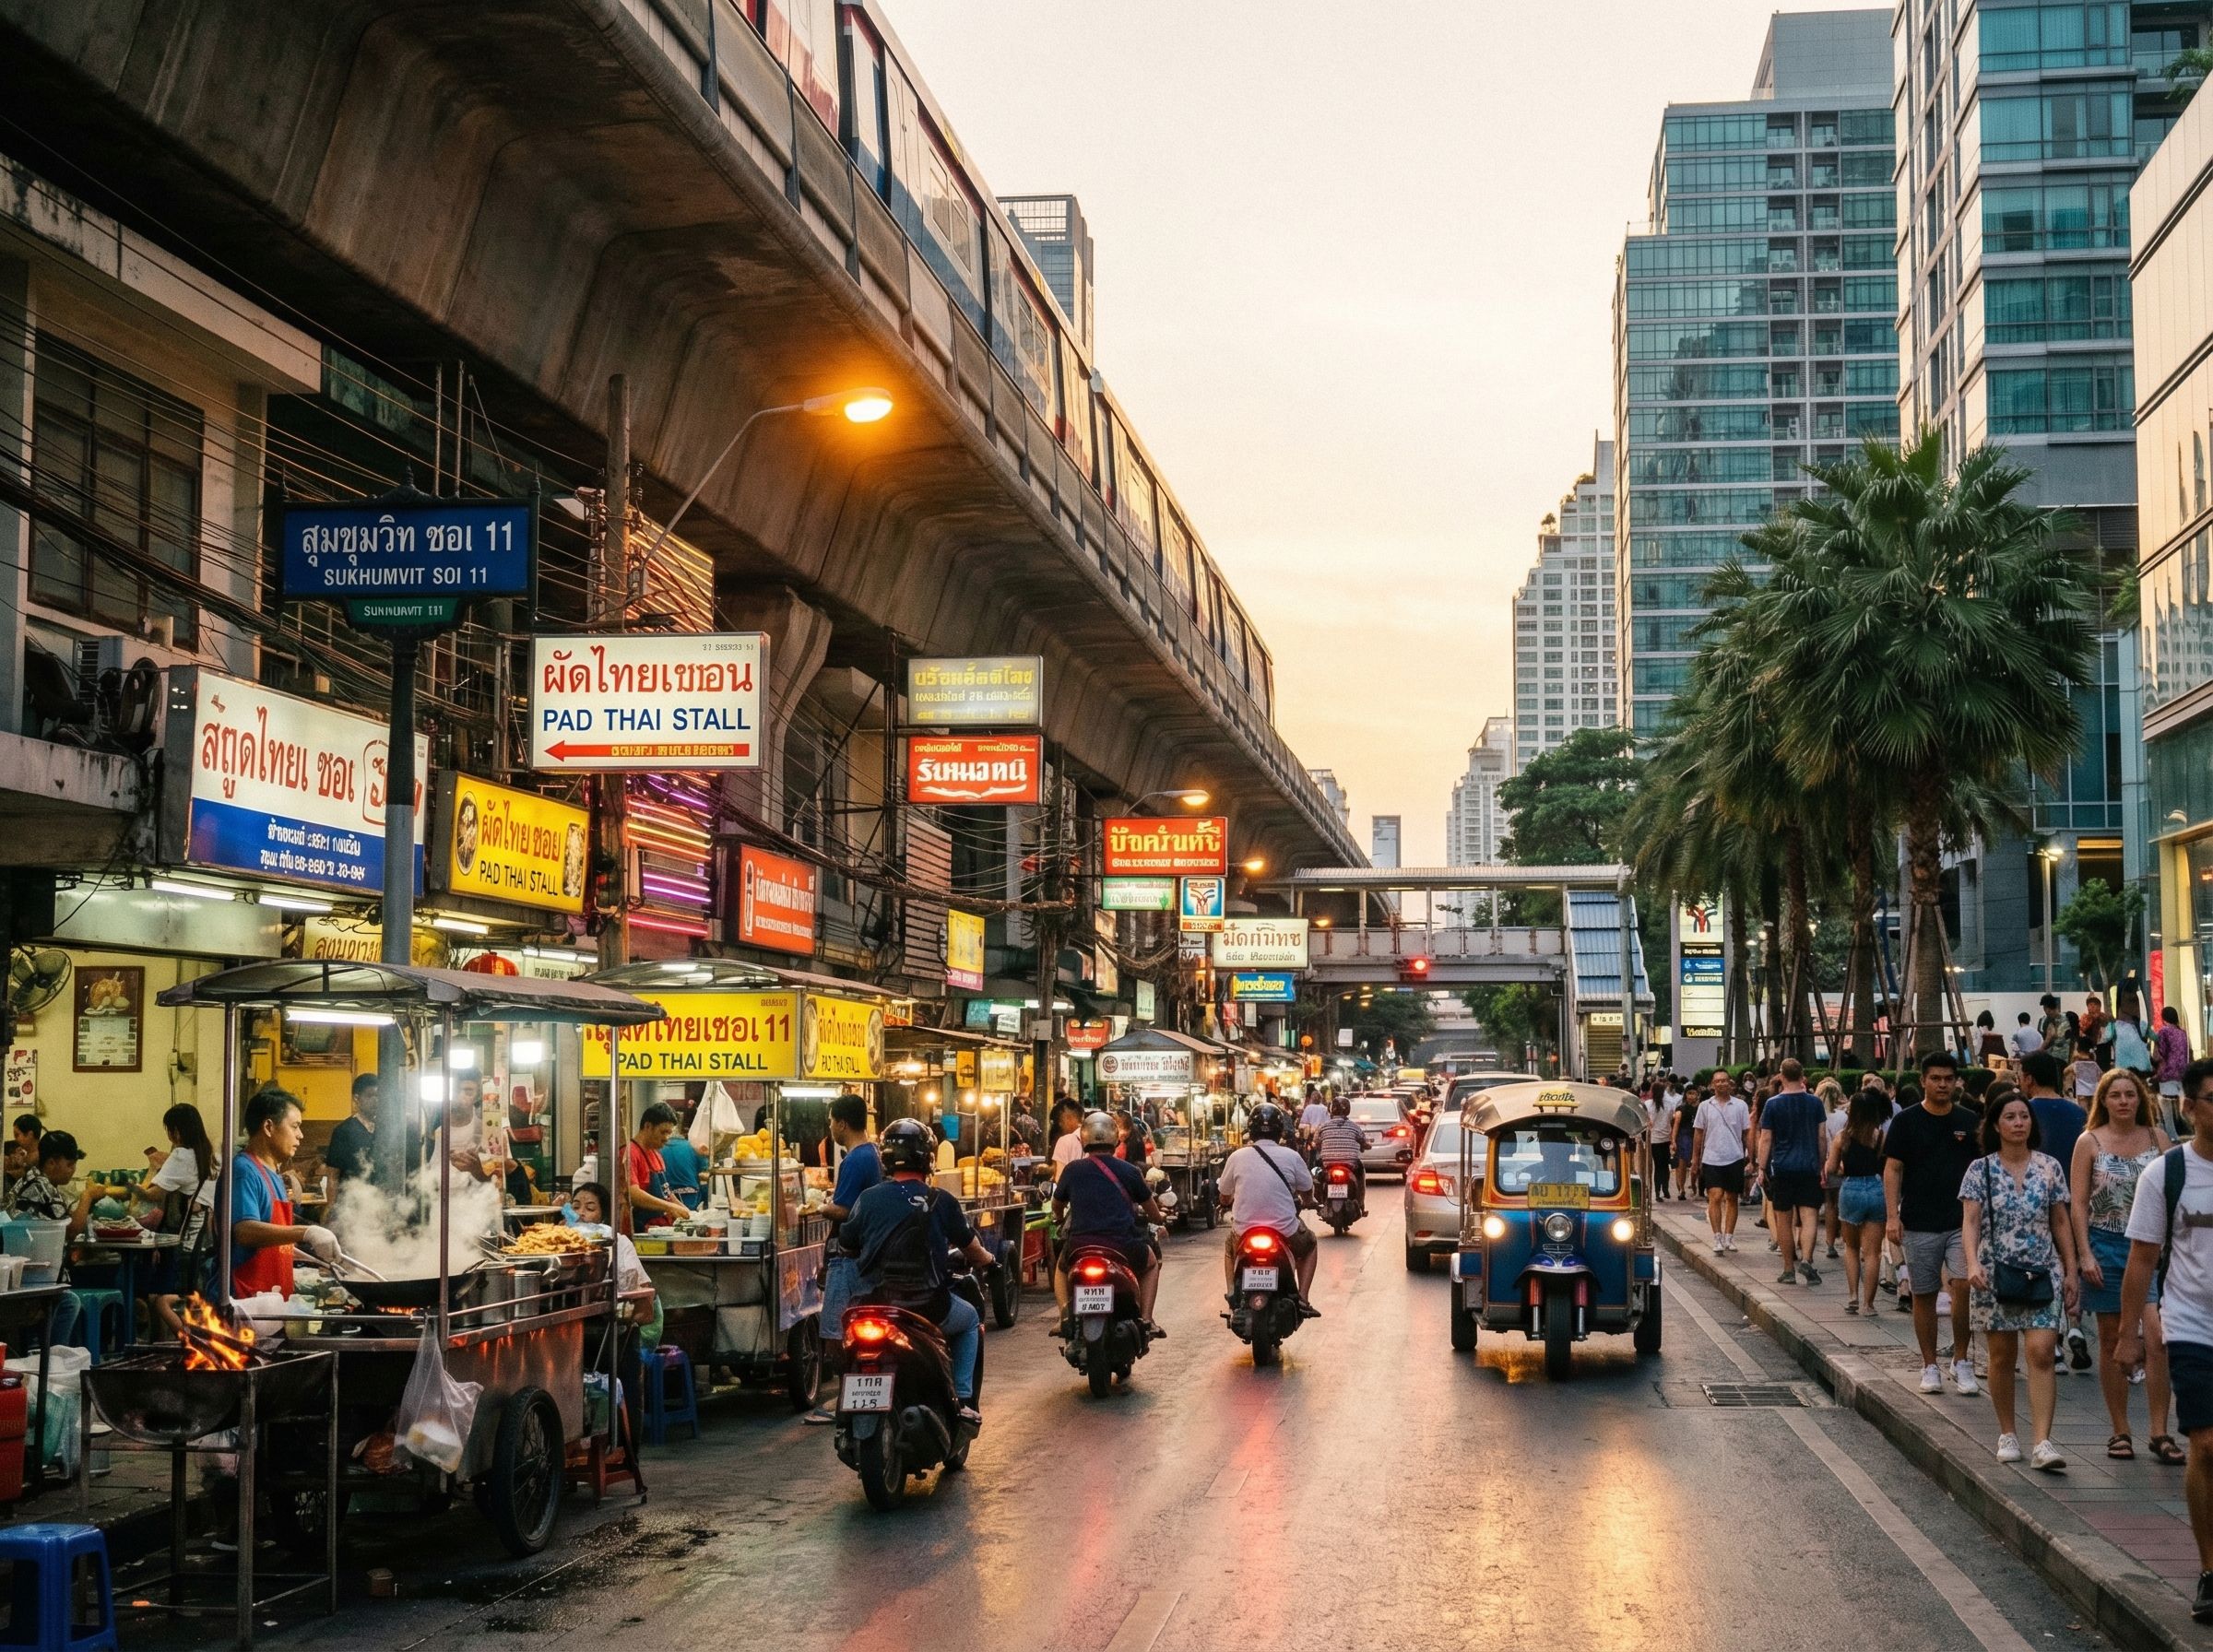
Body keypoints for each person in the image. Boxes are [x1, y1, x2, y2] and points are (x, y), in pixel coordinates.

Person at [2120, 1058, 2213, 1622]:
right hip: (2193, 1327)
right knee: (2205, 1445)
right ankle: (2210, 1569)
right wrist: (2129, 1334)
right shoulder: (2167, 1173)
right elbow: (2142, 1259)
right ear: (2191, 1106)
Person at [837, 1119, 995, 1425]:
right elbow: (972, 1249)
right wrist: (990, 1261)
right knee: (970, 1321)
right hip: (928, 1307)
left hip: (875, 1303)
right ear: (929, 1158)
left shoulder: (867, 1199)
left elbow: (847, 1244)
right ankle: (962, 1400)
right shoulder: (941, 1201)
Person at [1959, 1090, 2080, 1470]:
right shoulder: (1980, 1170)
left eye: (2023, 1117)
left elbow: (2061, 1220)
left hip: (2043, 1269)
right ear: (1996, 1125)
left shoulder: (2049, 1167)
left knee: (2042, 1352)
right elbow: (1971, 1221)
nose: (2017, 1123)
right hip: (1995, 1272)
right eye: (2009, 1117)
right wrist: (1972, 1264)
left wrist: (2071, 1267)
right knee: (2002, 1355)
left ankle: (2043, 1441)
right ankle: (2007, 1431)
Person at [2072, 1068, 2180, 1466]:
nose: (2123, 1101)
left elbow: (2177, 1195)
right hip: (2105, 1245)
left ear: (2141, 1099)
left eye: (2130, 1095)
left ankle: (2160, 1430)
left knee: (2156, 1338)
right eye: (2115, 1095)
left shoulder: (2159, 1139)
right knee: (2114, 1337)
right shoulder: (2089, 1142)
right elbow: (2079, 1203)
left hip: (2148, 1247)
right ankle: (2120, 1430)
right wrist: (2084, 1253)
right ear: (2104, 1100)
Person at [1885, 1051, 1984, 1398]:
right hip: (1918, 1222)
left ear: (1956, 1081)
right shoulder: (1906, 1121)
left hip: (1962, 1223)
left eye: (1948, 1079)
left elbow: (1983, 1169)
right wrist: (1892, 1216)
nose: (1942, 1085)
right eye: (1936, 1078)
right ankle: (1930, 1365)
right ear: (1923, 1080)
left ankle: (1961, 1360)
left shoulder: (1970, 1120)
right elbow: (1893, 1168)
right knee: (1924, 1295)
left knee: (1963, 1288)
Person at [1052, 1111, 1166, 1335]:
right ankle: (1146, 1319)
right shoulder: (1130, 1171)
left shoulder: (1072, 1170)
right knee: (1152, 1263)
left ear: (1084, 1139)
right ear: (1115, 1139)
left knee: (1061, 1268)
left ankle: (1064, 1315)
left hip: (1080, 1246)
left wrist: (1058, 1218)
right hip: (1122, 1245)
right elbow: (1152, 1212)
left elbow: (1057, 1204)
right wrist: (1160, 1219)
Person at [2020, 1049, 2092, 1373]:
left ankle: (2056, 1343)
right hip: (2077, 1200)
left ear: (2030, 1079)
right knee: (2071, 1264)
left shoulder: (2022, 1113)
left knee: (2047, 1268)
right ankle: (2075, 1324)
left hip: (2037, 1202)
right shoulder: (2078, 1113)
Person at [231, 1087, 338, 1298]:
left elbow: (272, 1235)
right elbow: (244, 1231)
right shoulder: (244, 1170)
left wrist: (310, 1256)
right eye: (295, 1126)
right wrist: (305, 1233)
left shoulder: (272, 1172)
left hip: (271, 1296)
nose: (300, 1135)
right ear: (269, 1127)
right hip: (247, 1299)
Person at [1216, 1103, 1319, 1310]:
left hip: (1244, 1231)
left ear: (1250, 1131)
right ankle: (1303, 1298)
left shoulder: (1236, 1156)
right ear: (1280, 1131)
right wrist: (1309, 1202)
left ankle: (1232, 1294)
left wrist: (1226, 1202)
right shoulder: (1292, 1156)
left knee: (1229, 1249)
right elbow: (1307, 1191)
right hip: (1285, 1230)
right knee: (1310, 1245)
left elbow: (1224, 1196)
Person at [1757, 1059, 1828, 1286]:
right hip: (1808, 1166)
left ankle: (1788, 1269)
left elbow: (1766, 1138)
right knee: (1809, 1217)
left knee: (1784, 1220)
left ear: (1781, 1076)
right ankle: (1807, 1259)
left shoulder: (1772, 1104)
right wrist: (1821, 1163)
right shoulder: (1815, 1103)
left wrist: (1761, 1167)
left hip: (1783, 1167)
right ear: (1802, 1075)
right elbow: (1822, 1137)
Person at [1828, 1086, 1892, 1316]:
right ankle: (1869, 1304)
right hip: (1876, 1189)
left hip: (1851, 1189)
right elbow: (1887, 1168)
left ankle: (1853, 1296)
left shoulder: (1842, 1138)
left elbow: (1831, 1169)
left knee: (1852, 1248)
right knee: (1872, 1253)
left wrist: (1844, 1167)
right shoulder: (1881, 1137)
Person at [6, 1131, 116, 1240]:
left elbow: (64, 1218)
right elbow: (70, 1232)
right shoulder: (40, 1186)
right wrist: (87, 1196)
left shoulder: (36, 1178)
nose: (73, 1170)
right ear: (51, 1163)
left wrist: (91, 1203)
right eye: (69, 1165)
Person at [1692, 1069, 1752, 1255]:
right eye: (1717, 1081)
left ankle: (1729, 1236)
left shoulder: (1740, 1105)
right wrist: (1695, 1158)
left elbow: (1746, 1132)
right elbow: (1699, 1132)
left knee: (1732, 1198)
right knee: (1715, 1196)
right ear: (1712, 1084)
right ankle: (1717, 1236)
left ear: (1730, 1083)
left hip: (1734, 1157)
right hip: (1712, 1157)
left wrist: (1751, 1156)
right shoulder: (1705, 1106)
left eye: (1724, 1081)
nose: (1721, 1084)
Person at [622, 1102, 689, 1233]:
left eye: (669, 1133)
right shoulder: (629, 1152)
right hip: (640, 1229)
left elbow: (666, 1192)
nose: (666, 1138)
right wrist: (670, 1207)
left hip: (659, 1228)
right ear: (648, 1126)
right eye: (663, 1132)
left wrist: (684, 1210)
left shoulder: (656, 1154)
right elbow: (632, 1193)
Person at [1313, 1095, 1371, 1206]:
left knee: (1316, 1172)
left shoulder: (1323, 1127)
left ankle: (1317, 1200)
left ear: (1331, 1110)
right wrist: (1366, 1145)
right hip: (1350, 1163)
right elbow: (1363, 1141)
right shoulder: (1354, 1127)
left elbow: (1316, 1142)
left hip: (1328, 1163)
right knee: (1360, 1172)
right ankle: (1360, 1203)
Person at [1817, 1077, 1848, 1257]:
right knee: (1839, 1204)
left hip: (1820, 1163)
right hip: (1839, 1163)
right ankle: (1844, 1240)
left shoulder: (1816, 1115)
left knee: (1827, 1204)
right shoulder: (1843, 1117)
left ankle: (1828, 1243)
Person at [2159, 1008, 2194, 1139]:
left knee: (2166, 1107)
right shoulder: (2182, 1032)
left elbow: (2162, 1052)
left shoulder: (2163, 1032)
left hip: (2167, 1073)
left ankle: (2171, 1135)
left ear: (2163, 1018)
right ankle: (2188, 1130)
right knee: (2182, 1104)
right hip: (2182, 1072)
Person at [660, 1115, 704, 1212]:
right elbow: (703, 1173)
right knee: (689, 1222)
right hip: (690, 1195)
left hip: (667, 1196)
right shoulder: (692, 1147)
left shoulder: (659, 1148)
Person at [2113, 991, 2154, 1080]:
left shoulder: (2116, 1026)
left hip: (2122, 1068)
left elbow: (2107, 1036)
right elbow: (2155, 1037)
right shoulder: (2142, 1025)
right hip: (2141, 1067)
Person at [1673, 1083, 1701, 1201]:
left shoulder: (1701, 1108)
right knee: (1681, 1165)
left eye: (1694, 1093)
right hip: (1684, 1138)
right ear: (1685, 1095)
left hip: (1697, 1137)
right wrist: (1673, 1140)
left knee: (1696, 1163)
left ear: (1698, 1095)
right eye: (1689, 1093)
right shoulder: (1681, 1109)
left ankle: (1694, 1184)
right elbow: (1676, 1125)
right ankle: (1682, 1188)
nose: (1691, 1096)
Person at [1650, 1084, 1676, 1202]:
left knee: (1658, 1166)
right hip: (1666, 1138)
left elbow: (1648, 1121)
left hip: (1654, 1139)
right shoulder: (1670, 1105)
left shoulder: (1648, 1104)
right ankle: (1665, 1188)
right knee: (1665, 1166)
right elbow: (1671, 1119)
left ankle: (1657, 1193)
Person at [2041, 995, 2075, 1067]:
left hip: (2062, 1058)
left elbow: (2064, 1040)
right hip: (2054, 1057)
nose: (2047, 1013)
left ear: (2048, 1009)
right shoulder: (2049, 1021)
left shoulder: (2067, 1020)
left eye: (2046, 1010)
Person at [1296, 1089, 1330, 1158]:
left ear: (1312, 1099)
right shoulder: (1324, 1109)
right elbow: (1327, 1122)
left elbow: (1303, 1122)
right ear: (1321, 1099)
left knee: (1311, 1155)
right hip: (1321, 1136)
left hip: (1310, 1136)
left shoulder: (1308, 1108)